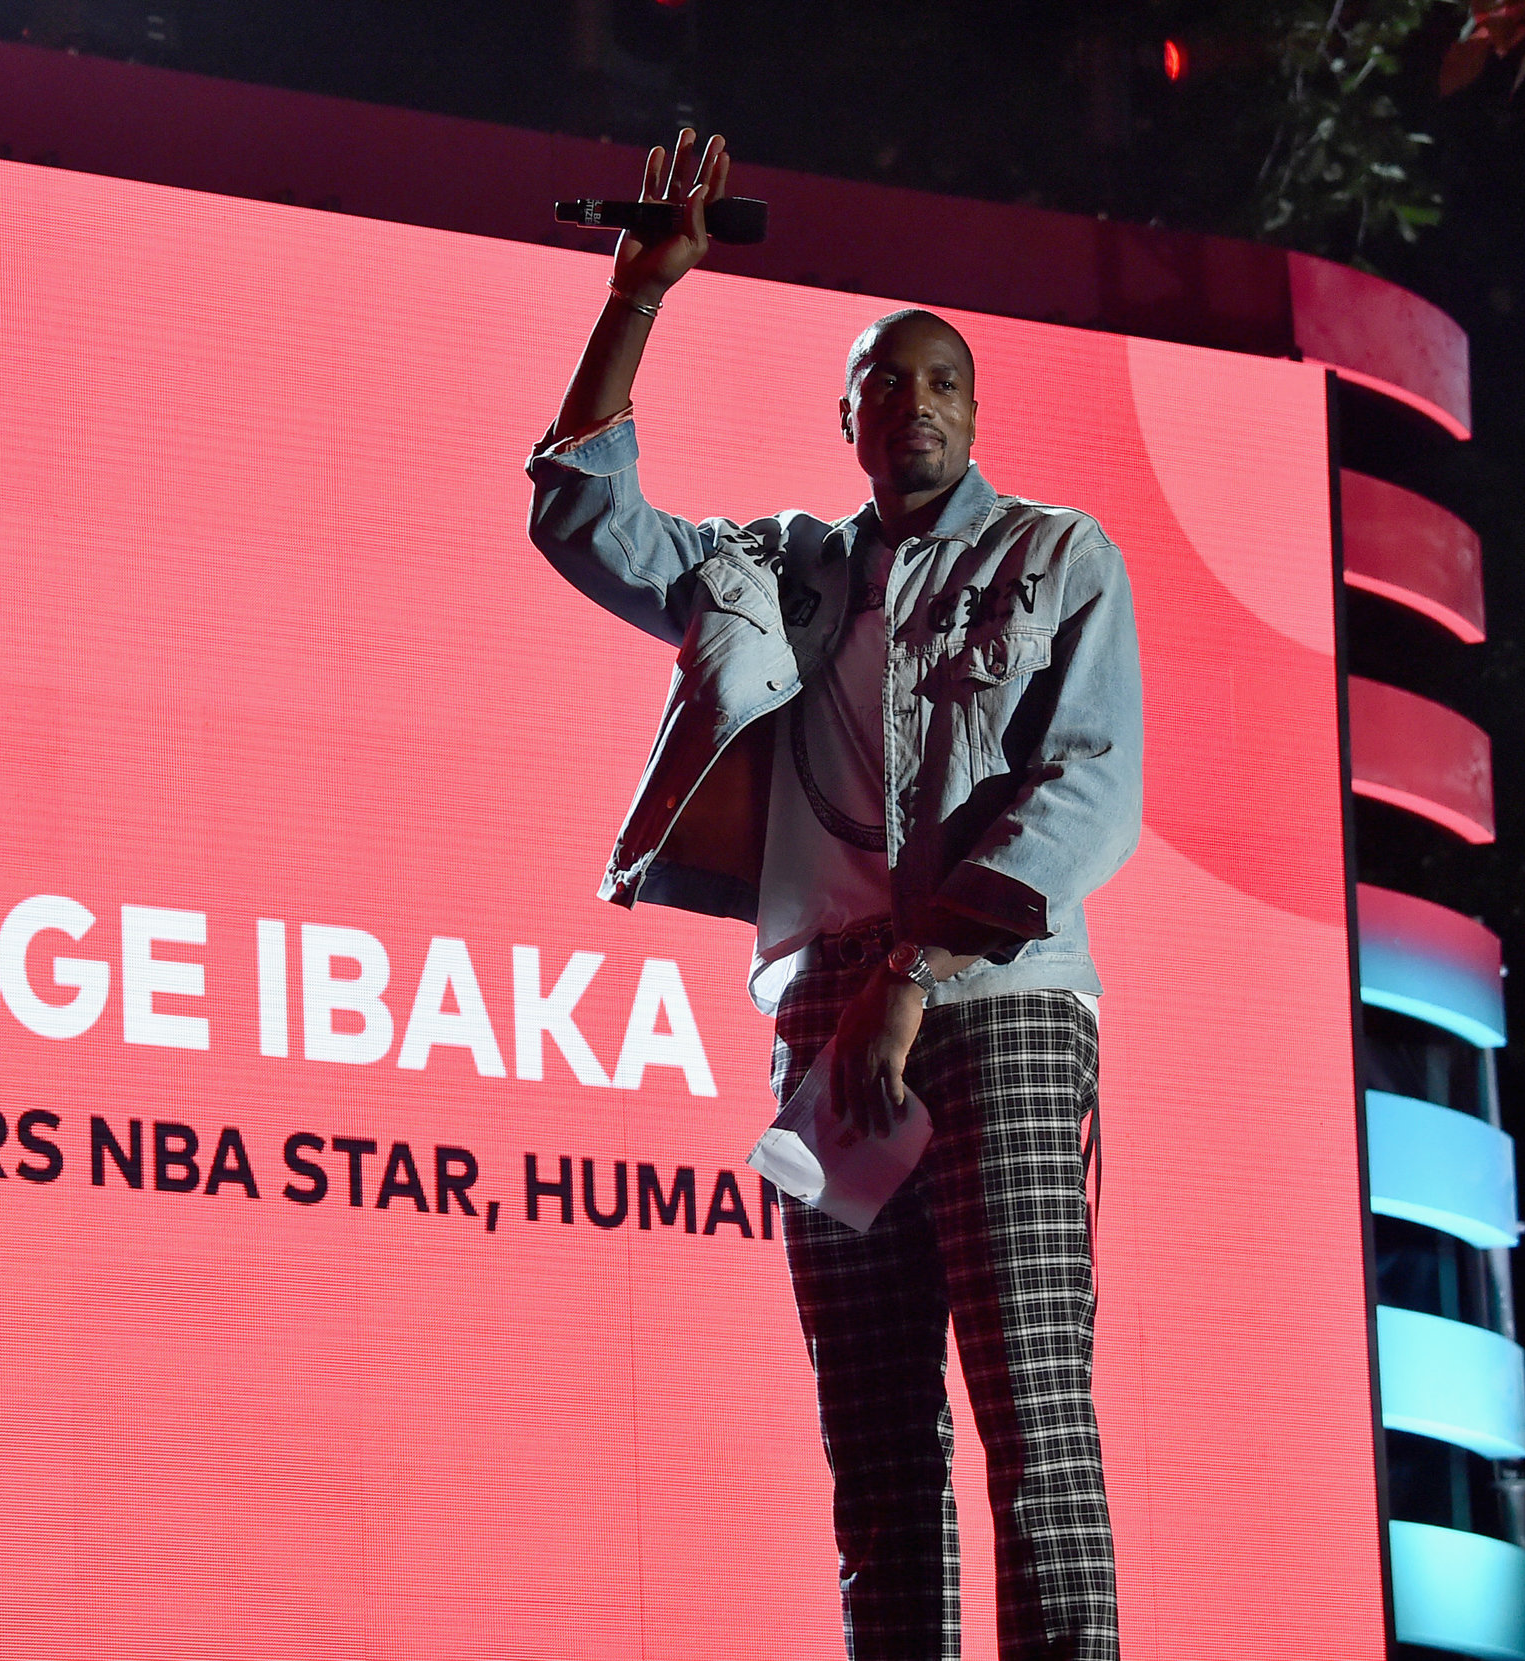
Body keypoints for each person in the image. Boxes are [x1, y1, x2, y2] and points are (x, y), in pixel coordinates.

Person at [524, 129, 1142, 1661]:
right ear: (847, 415)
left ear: (977, 411)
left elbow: (1087, 791)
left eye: (942, 380)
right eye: (886, 381)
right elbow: (578, 518)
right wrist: (638, 295)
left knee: (1033, 1422)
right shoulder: (782, 570)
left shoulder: (1061, 557)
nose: (914, 403)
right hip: (820, 1027)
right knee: (872, 1454)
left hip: (992, 1009)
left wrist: (913, 975)